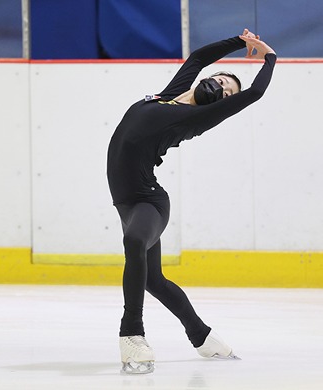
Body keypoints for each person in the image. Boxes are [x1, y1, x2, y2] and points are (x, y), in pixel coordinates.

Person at [106, 29, 276, 374]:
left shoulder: (197, 117)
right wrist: (240, 43)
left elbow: (255, 92)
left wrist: (269, 56)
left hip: (148, 202)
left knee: (135, 240)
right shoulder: (167, 96)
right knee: (153, 279)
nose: (222, 88)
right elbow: (198, 58)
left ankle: (132, 334)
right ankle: (203, 337)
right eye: (222, 80)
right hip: (127, 203)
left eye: (228, 92)